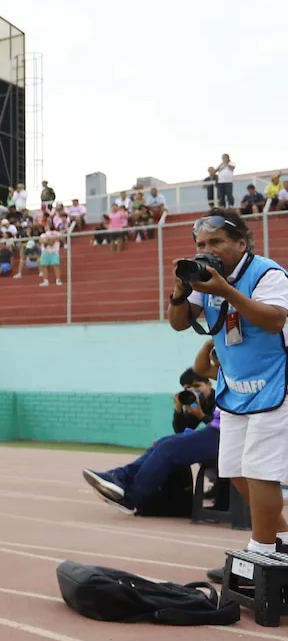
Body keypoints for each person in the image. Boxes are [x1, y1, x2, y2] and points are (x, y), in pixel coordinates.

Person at [167, 209, 288, 580]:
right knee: (234, 469)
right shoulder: (207, 280)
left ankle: (260, 556)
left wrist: (226, 291)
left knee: (260, 471)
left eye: (216, 242)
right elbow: (178, 324)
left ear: (241, 242)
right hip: (235, 390)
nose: (208, 249)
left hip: (275, 385)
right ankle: (280, 540)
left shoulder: (268, 273)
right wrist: (180, 291)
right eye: (201, 244)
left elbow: (274, 320)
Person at [82, 340, 221, 516]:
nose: (194, 391)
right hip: (217, 433)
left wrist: (202, 416)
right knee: (163, 443)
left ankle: (130, 498)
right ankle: (118, 478)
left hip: (227, 435)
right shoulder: (218, 381)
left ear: (209, 384)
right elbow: (181, 429)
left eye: (197, 386)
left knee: (169, 448)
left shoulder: (229, 384)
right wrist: (179, 409)